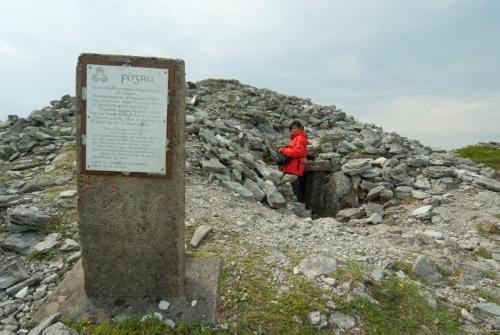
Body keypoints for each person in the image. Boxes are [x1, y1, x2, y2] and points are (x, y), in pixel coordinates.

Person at [278, 120, 308, 202]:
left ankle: (298, 209)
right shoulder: (295, 139)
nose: (293, 130)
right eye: (292, 129)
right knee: (292, 189)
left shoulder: (300, 138)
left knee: (294, 190)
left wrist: (284, 150)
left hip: (294, 168)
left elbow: (298, 152)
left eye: (295, 128)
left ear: (301, 128)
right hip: (292, 168)